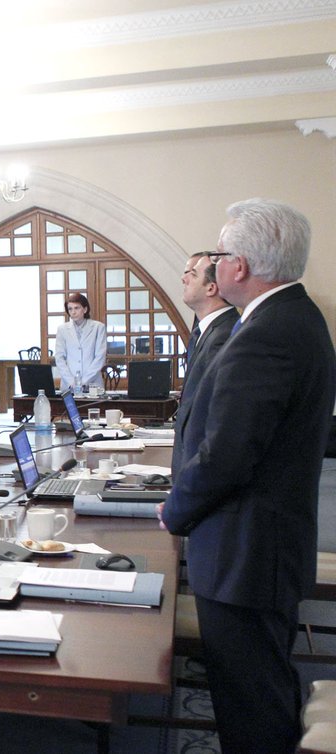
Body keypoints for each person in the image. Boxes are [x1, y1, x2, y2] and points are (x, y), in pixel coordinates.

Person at [159, 199, 335, 754]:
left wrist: (173, 511)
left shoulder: (266, 333)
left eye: (220, 253)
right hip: (262, 545)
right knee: (261, 689)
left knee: (250, 705)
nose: (214, 263)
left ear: (241, 265)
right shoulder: (293, 318)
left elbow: (227, 456)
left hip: (247, 552)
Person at [179, 252, 238, 402]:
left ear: (211, 288)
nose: (184, 279)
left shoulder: (223, 336)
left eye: (193, 275)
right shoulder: (205, 332)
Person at [53, 292, 107, 393]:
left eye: (76, 308)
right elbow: (59, 358)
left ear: (85, 309)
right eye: (70, 309)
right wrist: (71, 381)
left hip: (93, 384)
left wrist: (83, 382)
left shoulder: (98, 327)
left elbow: (100, 357)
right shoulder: (62, 329)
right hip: (69, 385)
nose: (73, 312)